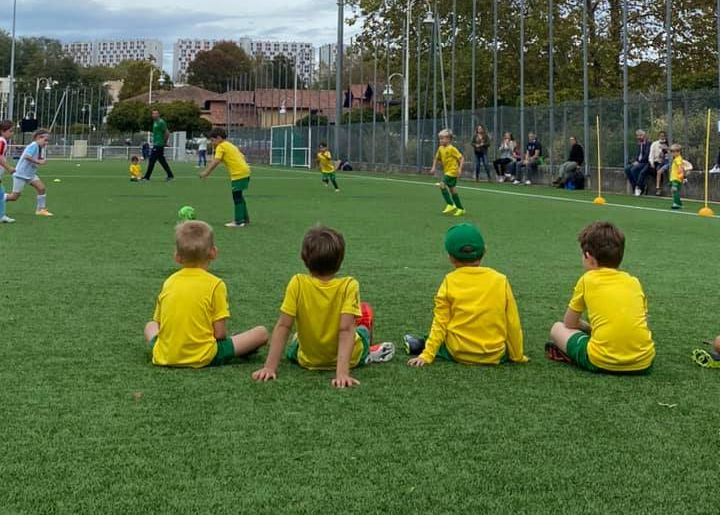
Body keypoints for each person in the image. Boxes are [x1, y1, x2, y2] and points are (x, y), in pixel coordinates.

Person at [252, 226, 395, 388]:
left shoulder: (297, 283)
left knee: (295, 344)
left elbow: (284, 325)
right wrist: (342, 374)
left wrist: (269, 367)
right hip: (352, 358)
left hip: (307, 360)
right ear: (340, 260)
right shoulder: (349, 285)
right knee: (361, 328)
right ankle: (369, 349)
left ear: (304, 258)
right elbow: (346, 330)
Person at [144, 220, 269, 368]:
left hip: (165, 355)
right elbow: (220, 334)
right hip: (204, 355)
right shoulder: (216, 284)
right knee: (261, 333)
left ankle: (170, 350)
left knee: (150, 325)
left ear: (177, 257)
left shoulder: (169, 282)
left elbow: (159, 323)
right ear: (213, 253)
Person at [404, 223, 528, 367]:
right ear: (485, 250)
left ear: (450, 257)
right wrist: (517, 356)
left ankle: (421, 344)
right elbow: (512, 322)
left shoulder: (449, 281)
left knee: (440, 337)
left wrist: (427, 355)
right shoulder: (500, 280)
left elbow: (440, 322)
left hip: (458, 353)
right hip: (494, 354)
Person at [546, 221, 655, 374]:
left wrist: (588, 328)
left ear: (588, 257)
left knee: (557, 328)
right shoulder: (634, 282)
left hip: (600, 360)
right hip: (643, 362)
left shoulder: (587, 280)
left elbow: (569, 323)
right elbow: (645, 323)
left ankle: (577, 354)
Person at [199, 128, 252, 228]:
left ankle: (238, 221)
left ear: (218, 138)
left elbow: (216, 161)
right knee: (239, 196)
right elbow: (242, 156)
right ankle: (245, 218)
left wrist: (206, 172)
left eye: (213, 140)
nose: (212, 143)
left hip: (238, 174)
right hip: (245, 171)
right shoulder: (230, 145)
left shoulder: (221, 146)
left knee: (237, 197)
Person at [5, 128, 53, 216]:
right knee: (14, 197)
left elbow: (35, 158)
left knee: (41, 188)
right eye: (45, 140)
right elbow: (27, 156)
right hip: (21, 174)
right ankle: (1, 198)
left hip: (30, 174)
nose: (46, 143)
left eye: (48, 141)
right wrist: (38, 161)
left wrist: (41, 160)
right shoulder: (33, 145)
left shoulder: (39, 147)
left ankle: (40, 210)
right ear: (38, 138)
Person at [430, 129, 465, 217]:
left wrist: (460, 169)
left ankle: (450, 204)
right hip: (447, 171)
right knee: (452, 190)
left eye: (443, 138)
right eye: (440, 139)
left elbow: (461, 158)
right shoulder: (440, 148)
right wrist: (433, 167)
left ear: (449, 139)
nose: (441, 140)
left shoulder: (452, 149)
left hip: (452, 171)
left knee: (442, 184)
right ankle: (461, 209)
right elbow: (436, 158)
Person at [141, 110, 175, 181]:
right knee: (162, 161)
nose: (154, 115)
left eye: (155, 113)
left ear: (159, 114)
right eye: (153, 113)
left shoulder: (161, 122)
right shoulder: (155, 122)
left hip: (158, 145)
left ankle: (147, 177)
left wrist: (164, 142)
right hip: (157, 144)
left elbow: (167, 133)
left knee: (152, 160)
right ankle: (170, 175)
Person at [624, 129, 651, 196]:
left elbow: (647, 155)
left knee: (634, 169)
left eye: (640, 135)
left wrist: (638, 162)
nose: (639, 137)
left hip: (646, 162)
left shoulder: (648, 143)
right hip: (639, 162)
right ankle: (635, 186)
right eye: (638, 136)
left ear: (644, 136)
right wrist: (635, 161)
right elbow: (638, 155)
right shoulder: (639, 144)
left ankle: (641, 187)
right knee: (627, 169)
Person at [0, 120, 16, 223]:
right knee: (1, 193)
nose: (12, 133)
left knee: (1, 193)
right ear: (2, 131)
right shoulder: (2, 141)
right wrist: (8, 167)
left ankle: (2, 216)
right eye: (10, 131)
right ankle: (1, 216)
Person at [649, 131, 669, 196]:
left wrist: (667, 149)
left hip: (667, 162)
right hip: (658, 162)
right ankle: (658, 188)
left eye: (663, 136)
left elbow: (671, 155)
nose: (662, 137)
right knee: (655, 170)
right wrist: (652, 162)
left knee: (659, 171)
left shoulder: (668, 144)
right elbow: (651, 155)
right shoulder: (655, 144)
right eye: (661, 136)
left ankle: (658, 188)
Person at [668, 143, 687, 210]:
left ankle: (676, 204)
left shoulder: (678, 159)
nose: (672, 153)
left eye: (674, 152)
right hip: (674, 178)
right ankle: (679, 203)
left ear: (678, 152)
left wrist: (682, 176)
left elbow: (680, 167)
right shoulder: (676, 158)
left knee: (674, 190)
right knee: (674, 191)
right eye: (672, 152)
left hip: (676, 178)